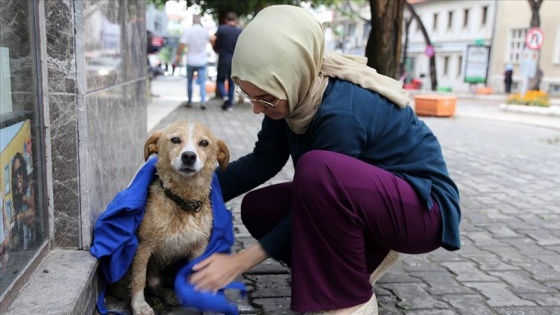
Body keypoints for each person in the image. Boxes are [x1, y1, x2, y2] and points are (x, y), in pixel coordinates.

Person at [189, 5, 461, 315]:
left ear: (294, 71)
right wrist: (186, 191)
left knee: (318, 170)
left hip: (422, 210)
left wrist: (239, 261)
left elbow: (322, 191)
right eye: (249, 95)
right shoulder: (289, 95)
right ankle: (366, 256)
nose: (257, 108)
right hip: (369, 200)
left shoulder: (341, 112)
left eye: (264, 99)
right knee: (259, 209)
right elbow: (262, 162)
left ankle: (352, 300)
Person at [175, 15, 211, 110]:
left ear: (192, 21)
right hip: (202, 60)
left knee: (190, 82)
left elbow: (182, 44)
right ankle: (203, 101)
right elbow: (212, 40)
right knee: (202, 82)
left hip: (191, 60)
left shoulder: (188, 31)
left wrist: (178, 55)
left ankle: (189, 101)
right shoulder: (205, 31)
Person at [211, 11, 242, 111]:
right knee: (231, 82)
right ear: (235, 20)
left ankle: (224, 95)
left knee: (220, 80)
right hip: (235, 60)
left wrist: (215, 48)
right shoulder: (239, 31)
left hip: (223, 58)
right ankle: (229, 104)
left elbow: (212, 38)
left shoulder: (222, 29)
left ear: (226, 20)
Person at [11, 152, 36, 251]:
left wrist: (21, 215)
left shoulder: (30, 189)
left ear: (23, 172)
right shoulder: (15, 197)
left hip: (34, 244)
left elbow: (35, 210)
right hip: (23, 249)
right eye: (15, 173)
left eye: (19, 171)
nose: (17, 176)